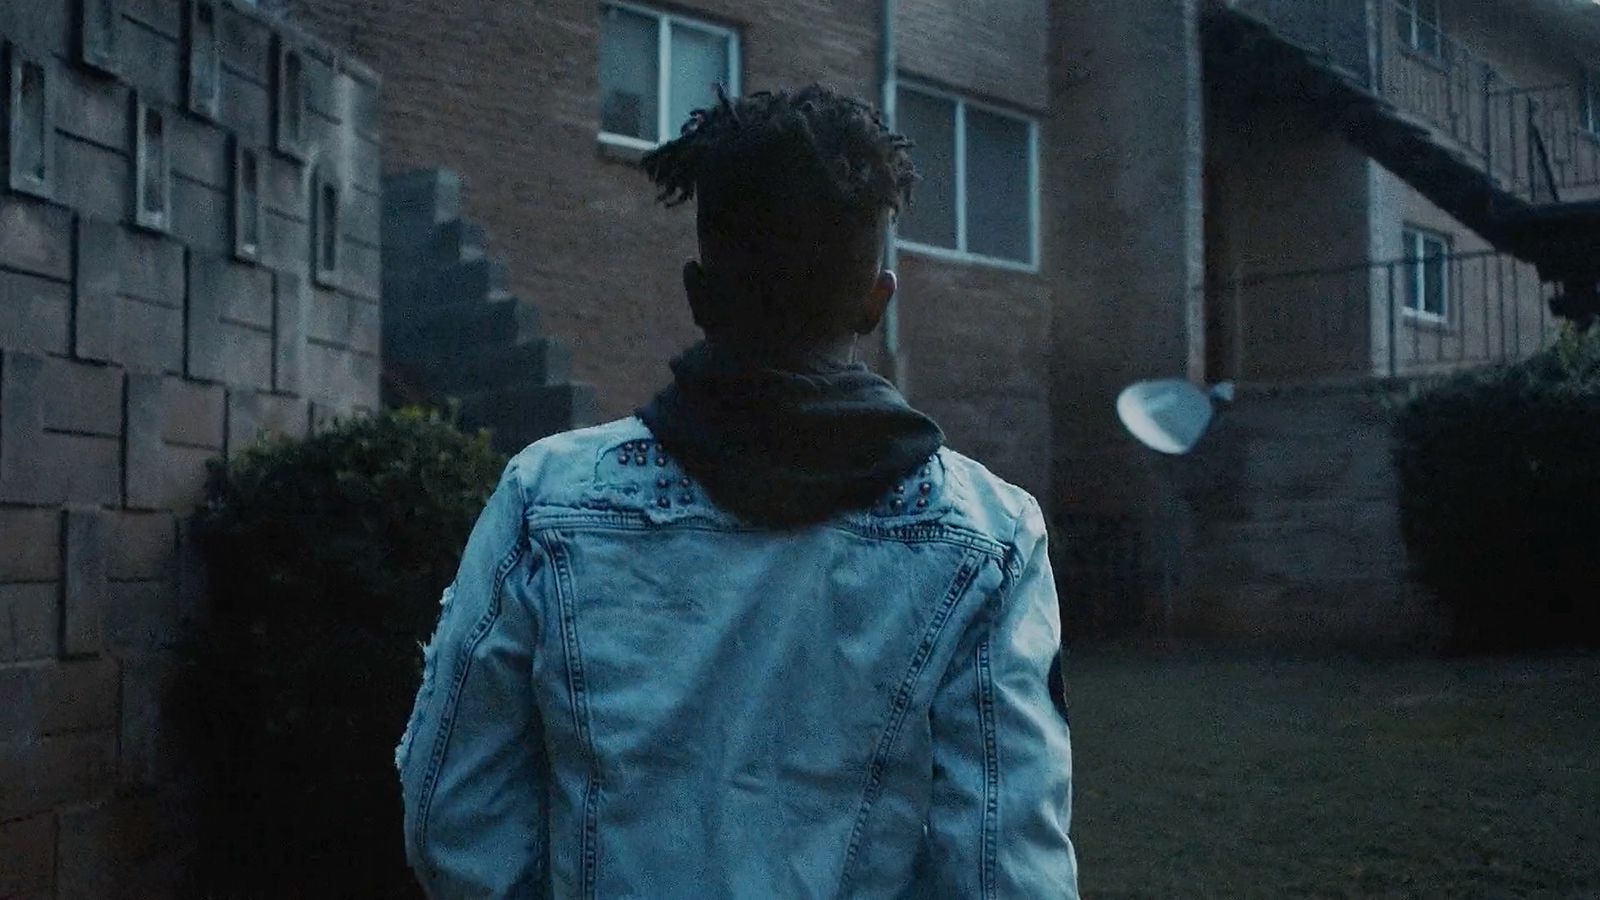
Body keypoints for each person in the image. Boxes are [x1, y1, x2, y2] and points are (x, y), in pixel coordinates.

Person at [395, 84, 1079, 899]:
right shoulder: (991, 537)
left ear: (698, 293)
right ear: (876, 299)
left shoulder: (546, 499)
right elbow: (1005, 873)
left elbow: (451, 810)